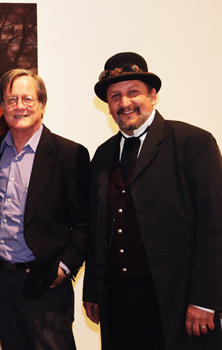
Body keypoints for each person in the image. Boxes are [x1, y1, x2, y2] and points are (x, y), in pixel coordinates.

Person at [83, 52, 222, 350]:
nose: (124, 103)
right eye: (115, 96)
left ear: (153, 95)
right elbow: (96, 230)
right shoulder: (103, 155)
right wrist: (93, 291)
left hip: (178, 300)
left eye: (133, 92)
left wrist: (206, 300)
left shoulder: (194, 144)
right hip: (118, 303)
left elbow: (215, 227)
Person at [0, 69, 90, 349]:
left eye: (27, 99)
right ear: (2, 108)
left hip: (45, 282)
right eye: (11, 100)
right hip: (1, 280)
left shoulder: (69, 154)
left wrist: (64, 268)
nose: (20, 106)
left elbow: (84, 224)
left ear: (42, 104)